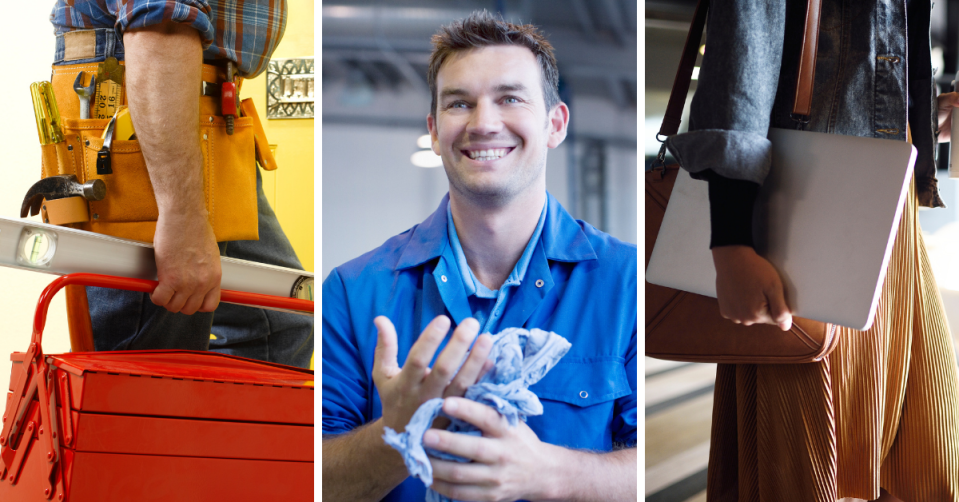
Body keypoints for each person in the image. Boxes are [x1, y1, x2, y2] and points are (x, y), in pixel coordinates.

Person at [322, 11, 637, 502]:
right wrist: (398, 436)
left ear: (555, 124)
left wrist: (546, 472)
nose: (484, 123)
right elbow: (312, 479)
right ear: (434, 129)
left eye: (509, 98)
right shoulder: (351, 290)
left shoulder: (626, 282)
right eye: (459, 103)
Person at [664, 0, 959, 500]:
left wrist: (924, 109)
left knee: (923, 449)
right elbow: (742, 55)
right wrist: (732, 239)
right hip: (804, 205)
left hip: (885, 198)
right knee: (803, 459)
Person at [49, 0, 313, 369]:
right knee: (157, 363)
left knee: (280, 326)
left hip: (213, 117)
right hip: (156, 123)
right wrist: (181, 213)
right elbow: (161, 23)